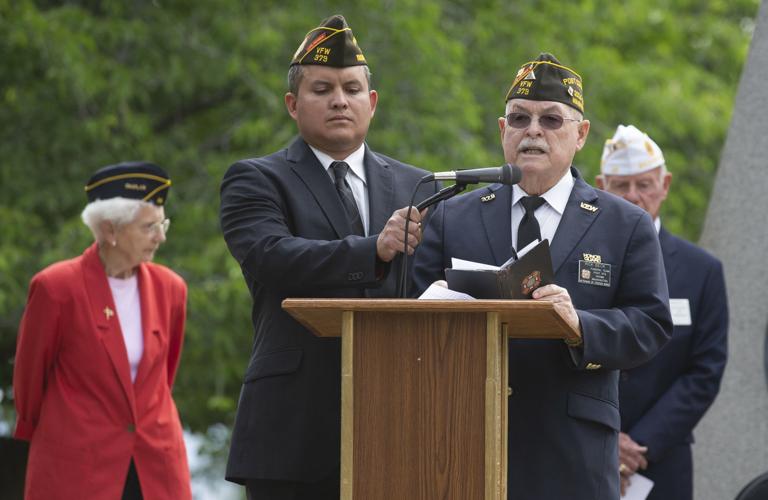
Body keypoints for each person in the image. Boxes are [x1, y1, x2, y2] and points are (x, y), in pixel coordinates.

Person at [412, 53, 673, 499]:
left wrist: (579, 326)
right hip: (460, 441)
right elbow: (405, 315)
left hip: (572, 453)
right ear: (502, 131)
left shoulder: (623, 223)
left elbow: (650, 325)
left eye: (551, 119)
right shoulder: (452, 216)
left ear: (581, 135)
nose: (533, 130)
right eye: (520, 118)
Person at [219, 14, 435, 499]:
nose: (340, 100)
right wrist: (374, 248)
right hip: (293, 428)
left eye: (352, 88)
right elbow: (273, 257)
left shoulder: (418, 185)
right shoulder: (256, 178)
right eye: (323, 89)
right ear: (293, 105)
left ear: (372, 103)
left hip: (402, 421)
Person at [13, 162, 191, 499]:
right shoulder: (56, 288)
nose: (161, 236)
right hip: (79, 466)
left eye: (162, 224)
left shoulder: (172, 288)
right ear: (110, 230)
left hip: (155, 464)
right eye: (149, 227)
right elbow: (29, 382)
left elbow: (163, 378)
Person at [596, 124, 729, 499]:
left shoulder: (702, 270)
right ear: (600, 187)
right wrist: (605, 440)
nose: (634, 197)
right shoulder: (577, 260)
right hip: (583, 450)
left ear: (665, 185)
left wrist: (638, 445)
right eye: (621, 185)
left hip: (660, 458)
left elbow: (705, 370)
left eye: (645, 184)